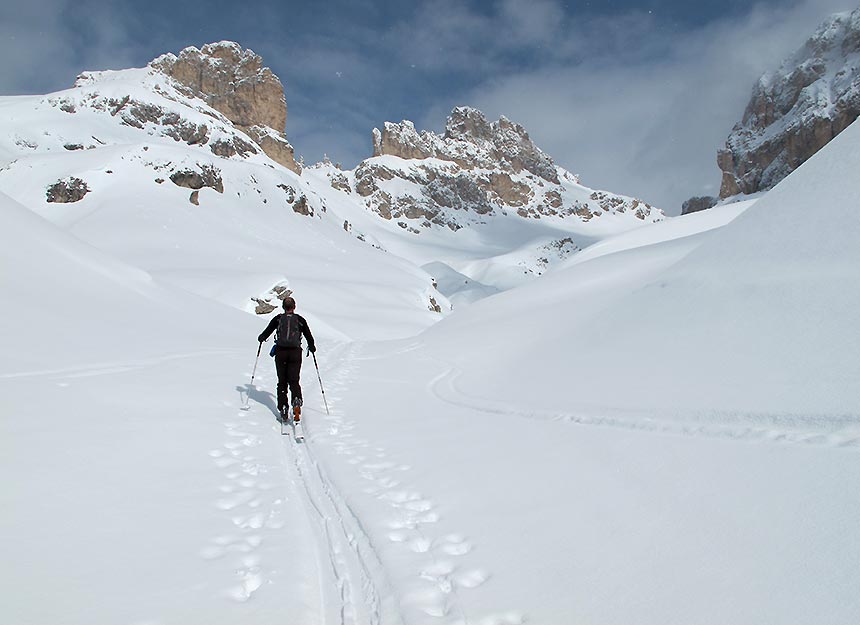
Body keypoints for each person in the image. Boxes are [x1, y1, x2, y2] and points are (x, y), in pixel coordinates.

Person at [257, 296, 316, 422]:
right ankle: (296, 401)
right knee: (294, 380)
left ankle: (283, 407)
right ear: (294, 307)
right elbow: (309, 337)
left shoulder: (278, 319)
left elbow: (266, 332)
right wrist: (312, 347)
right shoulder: (300, 320)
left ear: (283, 307)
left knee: (282, 381)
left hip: (281, 352)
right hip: (295, 353)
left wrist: (261, 338)